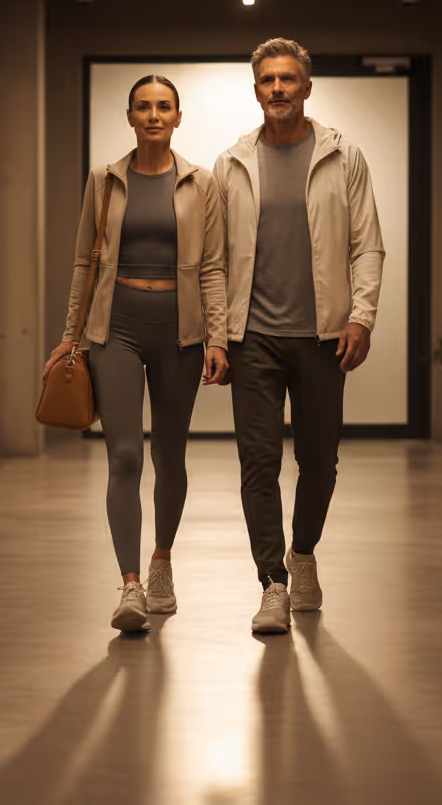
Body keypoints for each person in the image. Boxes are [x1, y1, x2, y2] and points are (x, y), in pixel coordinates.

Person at [45, 75, 229, 632]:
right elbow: (85, 261)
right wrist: (70, 335)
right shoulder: (104, 180)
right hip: (115, 330)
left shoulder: (202, 184)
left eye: (163, 107)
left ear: (178, 117)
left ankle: (162, 561)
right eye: (143, 107)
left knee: (169, 457)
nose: (153, 115)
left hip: (180, 333)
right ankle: (129, 586)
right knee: (124, 456)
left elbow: (216, 267)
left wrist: (217, 336)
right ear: (129, 116)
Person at [213, 38, 384, 634]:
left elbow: (367, 245)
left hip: (322, 336)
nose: (278, 89)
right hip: (252, 337)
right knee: (257, 462)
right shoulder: (232, 163)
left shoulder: (343, 156)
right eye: (268, 80)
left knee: (319, 460)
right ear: (256, 90)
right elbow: (214, 258)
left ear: (307, 88)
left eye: (289, 79)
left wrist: (361, 317)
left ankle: (303, 551)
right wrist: (218, 333)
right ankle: (272, 584)